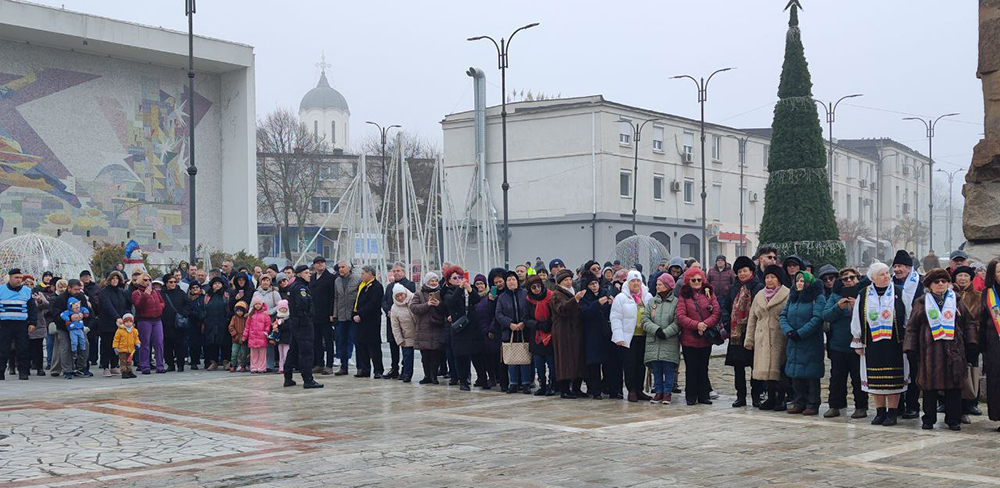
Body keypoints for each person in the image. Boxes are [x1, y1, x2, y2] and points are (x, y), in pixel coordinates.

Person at [904, 268, 978, 431]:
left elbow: (969, 323)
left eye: (944, 281)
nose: (940, 284)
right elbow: (912, 327)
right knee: (929, 387)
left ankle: (953, 419)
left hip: (954, 351)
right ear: (930, 285)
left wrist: (972, 342)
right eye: (936, 282)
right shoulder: (921, 302)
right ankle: (928, 419)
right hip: (929, 351)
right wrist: (910, 348)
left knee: (954, 387)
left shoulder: (956, 300)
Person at [850, 262, 909, 427]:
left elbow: (907, 314)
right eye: (882, 274)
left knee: (894, 379)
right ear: (873, 278)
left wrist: (908, 336)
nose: (887, 276)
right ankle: (880, 411)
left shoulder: (898, 292)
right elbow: (857, 317)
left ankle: (892, 413)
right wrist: (857, 340)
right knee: (875, 380)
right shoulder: (864, 293)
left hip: (895, 341)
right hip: (872, 341)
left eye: (887, 273)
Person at [822, 268, 869, 419]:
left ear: (858, 279)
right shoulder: (835, 295)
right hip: (838, 344)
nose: (849, 281)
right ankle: (835, 405)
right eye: (845, 279)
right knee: (837, 378)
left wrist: (858, 307)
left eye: (852, 278)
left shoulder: (865, 294)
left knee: (858, 378)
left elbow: (871, 316)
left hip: (858, 344)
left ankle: (861, 407)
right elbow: (826, 315)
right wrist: (838, 307)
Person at [745, 265, 791, 411]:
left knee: (780, 369)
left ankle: (781, 398)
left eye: (773, 277)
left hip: (779, 336)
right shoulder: (759, 295)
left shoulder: (787, 294)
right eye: (767, 277)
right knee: (767, 369)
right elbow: (752, 318)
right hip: (762, 337)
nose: (769, 280)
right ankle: (770, 397)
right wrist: (749, 339)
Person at [780, 272, 826, 416]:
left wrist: (801, 333)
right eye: (797, 280)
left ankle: (812, 403)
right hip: (793, 341)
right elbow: (783, 315)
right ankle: (799, 402)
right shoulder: (793, 298)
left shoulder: (817, 298)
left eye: (802, 280)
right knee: (796, 373)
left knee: (811, 374)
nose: (799, 283)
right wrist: (789, 331)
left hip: (810, 341)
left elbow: (817, 318)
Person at [722, 256, 764, 407]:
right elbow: (725, 307)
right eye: (739, 271)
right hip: (736, 335)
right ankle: (740, 396)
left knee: (755, 366)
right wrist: (727, 322)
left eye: (745, 271)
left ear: (751, 271)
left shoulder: (758, 287)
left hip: (753, 333)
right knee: (738, 367)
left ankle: (756, 396)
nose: (742, 274)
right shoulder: (734, 288)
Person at [675, 267, 720, 406]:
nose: (696, 282)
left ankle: (703, 395)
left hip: (705, 338)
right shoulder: (684, 295)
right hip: (690, 339)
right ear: (688, 281)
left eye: (698, 279)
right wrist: (696, 325)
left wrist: (704, 325)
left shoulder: (709, 293)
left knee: (703, 367)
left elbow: (716, 312)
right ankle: (691, 396)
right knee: (691, 368)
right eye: (693, 280)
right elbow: (681, 316)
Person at [610, 270, 653, 402]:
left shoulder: (647, 297)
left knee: (641, 364)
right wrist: (618, 336)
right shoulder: (621, 298)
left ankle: (639, 389)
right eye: (633, 281)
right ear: (628, 283)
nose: (635, 283)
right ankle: (631, 390)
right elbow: (615, 318)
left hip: (644, 336)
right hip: (628, 337)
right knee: (630, 364)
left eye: (638, 281)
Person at [891, 249, 924, 419]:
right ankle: (898, 405)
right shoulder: (889, 284)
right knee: (897, 370)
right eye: (895, 266)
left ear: (910, 268)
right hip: (894, 333)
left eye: (901, 266)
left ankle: (913, 405)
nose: (897, 270)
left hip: (914, 334)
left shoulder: (920, 284)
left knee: (912, 371)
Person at [641, 272, 680, 404]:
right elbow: (645, 319)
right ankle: (658, 392)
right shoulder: (652, 302)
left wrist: (666, 332)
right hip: (654, 341)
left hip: (669, 341)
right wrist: (656, 330)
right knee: (656, 369)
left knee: (668, 369)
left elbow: (677, 321)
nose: (657, 287)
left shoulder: (676, 302)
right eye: (657, 284)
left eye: (660, 284)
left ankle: (667, 393)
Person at [442, 266, 482, 391]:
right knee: (461, 356)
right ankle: (463, 380)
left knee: (476, 354)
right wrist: (459, 288)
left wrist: (469, 289)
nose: (458, 280)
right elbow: (451, 303)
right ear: (449, 280)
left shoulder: (468, 289)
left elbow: (476, 300)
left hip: (472, 326)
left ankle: (481, 378)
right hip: (459, 328)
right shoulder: (447, 292)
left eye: (460, 277)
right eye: (455, 278)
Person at [283, 265, 323, 389]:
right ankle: (308, 379)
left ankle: (288, 377)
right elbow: (303, 303)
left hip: (296, 323)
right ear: (299, 274)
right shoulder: (300, 288)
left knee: (293, 350)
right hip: (303, 323)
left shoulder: (293, 286)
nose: (309, 275)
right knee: (306, 352)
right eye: (306, 273)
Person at [551, 269, 587, 399]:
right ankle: (564, 389)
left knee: (577, 358)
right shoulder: (556, 294)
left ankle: (576, 387)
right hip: (563, 331)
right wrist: (575, 300)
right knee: (565, 359)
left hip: (576, 330)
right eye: (565, 280)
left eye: (569, 279)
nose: (568, 282)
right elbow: (562, 309)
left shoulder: (573, 291)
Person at [496, 270, 532, 394]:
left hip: (524, 331)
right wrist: (510, 323)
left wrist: (523, 322)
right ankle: (513, 383)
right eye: (509, 280)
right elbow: (498, 314)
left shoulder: (525, 294)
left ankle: (526, 383)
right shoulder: (502, 297)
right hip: (509, 331)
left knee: (524, 358)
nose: (511, 282)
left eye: (513, 279)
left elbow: (529, 310)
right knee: (511, 359)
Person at [579, 271, 613, 399]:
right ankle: (595, 389)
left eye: (596, 283)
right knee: (593, 364)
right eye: (591, 284)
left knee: (607, 362)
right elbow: (584, 313)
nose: (594, 286)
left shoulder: (605, 293)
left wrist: (610, 304)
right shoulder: (584, 297)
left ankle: (607, 387)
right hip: (591, 333)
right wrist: (597, 304)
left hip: (604, 333)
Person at [0, 269, 36, 380]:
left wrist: (33, 323)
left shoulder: (26, 291)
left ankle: (23, 372)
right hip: (5, 324)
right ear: (10, 278)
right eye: (16, 277)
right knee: (3, 349)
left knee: (23, 348)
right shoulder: (1, 290)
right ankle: (1, 372)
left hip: (21, 324)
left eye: (20, 278)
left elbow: (32, 309)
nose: (19, 280)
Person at [382, 262, 415, 380]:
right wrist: (389, 311)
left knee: (405, 346)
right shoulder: (389, 286)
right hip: (391, 318)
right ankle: (394, 368)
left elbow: (411, 299)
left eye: (398, 271)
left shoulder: (410, 284)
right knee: (393, 343)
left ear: (403, 272)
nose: (396, 273)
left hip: (405, 320)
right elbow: (384, 301)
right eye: (394, 271)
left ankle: (405, 369)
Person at [524, 274, 556, 396]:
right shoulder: (528, 300)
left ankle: (552, 385)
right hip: (536, 335)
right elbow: (526, 318)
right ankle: (542, 385)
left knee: (551, 363)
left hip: (550, 334)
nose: (536, 289)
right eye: (533, 287)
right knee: (539, 363)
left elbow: (556, 314)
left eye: (538, 286)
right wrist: (537, 325)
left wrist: (549, 323)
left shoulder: (551, 296)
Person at [412, 272, 446, 384]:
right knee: (425, 355)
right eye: (432, 280)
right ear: (427, 281)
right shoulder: (419, 294)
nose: (434, 283)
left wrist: (438, 305)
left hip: (437, 327)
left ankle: (434, 376)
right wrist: (427, 304)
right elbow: (414, 308)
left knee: (436, 354)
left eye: (436, 280)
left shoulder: (441, 293)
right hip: (423, 328)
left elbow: (445, 309)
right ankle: (427, 375)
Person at [129, 273, 164, 375]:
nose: (148, 282)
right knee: (145, 344)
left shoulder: (155, 292)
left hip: (157, 320)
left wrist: (160, 308)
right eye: (145, 280)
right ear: (140, 281)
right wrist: (145, 296)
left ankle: (160, 366)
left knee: (159, 343)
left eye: (149, 280)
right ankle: (145, 366)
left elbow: (162, 302)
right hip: (144, 320)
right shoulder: (136, 293)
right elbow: (138, 306)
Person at [353, 265, 384, 378]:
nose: (361, 275)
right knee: (362, 345)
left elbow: (373, 303)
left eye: (363, 273)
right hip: (360, 320)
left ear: (370, 274)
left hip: (371, 320)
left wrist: (360, 314)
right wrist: (355, 313)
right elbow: (357, 301)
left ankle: (378, 370)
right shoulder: (362, 285)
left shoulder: (376, 286)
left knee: (374, 346)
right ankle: (365, 369)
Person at [979, 259, 1000, 432]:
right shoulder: (987, 293)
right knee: (996, 380)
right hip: (994, 345)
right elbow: (982, 319)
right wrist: (981, 345)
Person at [477, 269, 507, 390]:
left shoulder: (508, 293)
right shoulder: (492, 294)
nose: (499, 284)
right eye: (496, 282)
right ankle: (493, 377)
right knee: (491, 354)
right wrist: (491, 301)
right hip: (493, 328)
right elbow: (490, 313)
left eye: (500, 281)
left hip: (506, 326)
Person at [309, 256, 337, 376]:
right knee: (316, 340)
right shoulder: (312, 278)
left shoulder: (330, 278)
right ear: (314, 265)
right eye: (317, 263)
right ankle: (319, 363)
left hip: (326, 314)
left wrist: (332, 313)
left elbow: (333, 297)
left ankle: (329, 365)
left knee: (328, 340)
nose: (320, 265)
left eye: (322, 263)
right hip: (314, 314)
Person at [98, 271, 128, 377]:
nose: (115, 280)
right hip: (107, 323)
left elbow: (125, 305)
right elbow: (107, 305)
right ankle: (105, 366)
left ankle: (114, 365)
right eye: (113, 278)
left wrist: (124, 317)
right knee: (106, 345)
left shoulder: (121, 291)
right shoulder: (103, 292)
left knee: (117, 345)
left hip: (119, 323)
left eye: (117, 278)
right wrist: (117, 317)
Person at [333, 262, 361, 375]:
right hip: (341, 316)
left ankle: (360, 367)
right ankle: (343, 367)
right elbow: (336, 298)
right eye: (339, 267)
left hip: (353, 316)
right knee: (342, 342)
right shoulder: (337, 281)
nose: (341, 269)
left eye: (343, 267)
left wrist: (359, 313)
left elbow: (360, 297)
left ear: (349, 268)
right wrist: (335, 315)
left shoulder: (357, 280)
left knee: (356, 341)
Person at [160, 273, 190, 372]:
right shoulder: (161, 294)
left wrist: (184, 314)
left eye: (174, 282)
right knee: (167, 346)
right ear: (166, 283)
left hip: (178, 324)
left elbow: (188, 304)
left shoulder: (181, 293)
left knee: (179, 345)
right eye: (170, 282)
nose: (173, 284)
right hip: (165, 323)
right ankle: (170, 364)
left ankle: (180, 365)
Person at [253, 274, 281, 372]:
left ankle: (269, 364)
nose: (265, 282)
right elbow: (252, 306)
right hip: (257, 321)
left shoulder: (275, 293)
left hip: (270, 320)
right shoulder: (256, 293)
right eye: (263, 280)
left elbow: (280, 305)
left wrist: (270, 312)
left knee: (269, 342)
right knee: (258, 344)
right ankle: (258, 365)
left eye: (267, 280)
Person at [202, 277, 231, 371]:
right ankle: (213, 362)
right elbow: (204, 308)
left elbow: (229, 308)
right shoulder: (207, 296)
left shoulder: (226, 295)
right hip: (210, 322)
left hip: (223, 321)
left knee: (225, 343)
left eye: (219, 283)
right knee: (212, 343)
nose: (217, 285)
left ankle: (226, 361)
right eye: (215, 283)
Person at [389, 284, 417, 383]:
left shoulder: (414, 299)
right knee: (407, 356)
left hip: (420, 332)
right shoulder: (394, 308)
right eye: (397, 296)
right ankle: (407, 375)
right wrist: (399, 339)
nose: (400, 298)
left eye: (402, 295)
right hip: (407, 335)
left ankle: (430, 375)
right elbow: (395, 326)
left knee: (426, 356)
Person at [60, 297, 91, 377]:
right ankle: (74, 353)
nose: (77, 308)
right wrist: (68, 319)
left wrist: (85, 313)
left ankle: (82, 353)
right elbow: (62, 314)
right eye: (75, 306)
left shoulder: (81, 309)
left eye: (78, 306)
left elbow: (86, 310)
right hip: (72, 329)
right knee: (74, 342)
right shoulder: (68, 311)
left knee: (83, 341)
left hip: (80, 329)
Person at [243, 296, 271, 374]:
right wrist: (245, 336)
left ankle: (262, 367)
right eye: (256, 304)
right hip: (252, 337)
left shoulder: (266, 315)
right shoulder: (251, 315)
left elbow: (268, 325)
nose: (257, 305)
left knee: (262, 354)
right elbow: (247, 326)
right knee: (254, 354)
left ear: (262, 304)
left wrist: (266, 332)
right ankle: (254, 367)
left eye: (259, 304)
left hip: (262, 337)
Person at [79, 270, 100, 366]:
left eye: (87, 276)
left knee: (93, 338)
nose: (86, 278)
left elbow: (97, 300)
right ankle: (85, 358)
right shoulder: (78, 288)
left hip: (93, 315)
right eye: (84, 276)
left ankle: (94, 358)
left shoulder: (96, 287)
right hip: (81, 317)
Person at [112, 314, 140, 379]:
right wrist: (115, 347)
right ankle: (124, 372)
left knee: (129, 361)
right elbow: (116, 339)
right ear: (124, 322)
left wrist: (137, 343)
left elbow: (136, 338)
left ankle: (129, 371)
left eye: (130, 322)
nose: (129, 323)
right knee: (123, 362)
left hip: (131, 349)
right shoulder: (120, 330)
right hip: (122, 350)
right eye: (127, 322)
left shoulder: (134, 330)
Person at [228, 301, 249, 372]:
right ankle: (233, 365)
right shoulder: (234, 318)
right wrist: (234, 334)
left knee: (243, 353)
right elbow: (231, 327)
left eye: (241, 311)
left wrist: (245, 336)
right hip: (235, 339)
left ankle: (243, 365)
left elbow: (248, 327)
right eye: (238, 311)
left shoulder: (246, 318)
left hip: (244, 339)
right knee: (234, 353)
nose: (239, 313)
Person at [273, 300, 291, 374]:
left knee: (286, 354)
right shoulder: (277, 317)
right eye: (281, 308)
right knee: (281, 354)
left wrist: (280, 326)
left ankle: (287, 367)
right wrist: (275, 328)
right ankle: (281, 367)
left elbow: (288, 327)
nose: (283, 310)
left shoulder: (288, 317)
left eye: (284, 308)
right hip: (279, 339)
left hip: (287, 338)